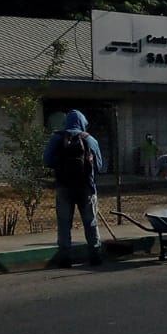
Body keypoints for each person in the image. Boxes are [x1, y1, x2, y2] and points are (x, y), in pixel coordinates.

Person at [42, 109, 104, 266]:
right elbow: (99, 166)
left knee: (64, 224)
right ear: (83, 122)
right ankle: (95, 255)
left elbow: (47, 160)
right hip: (86, 188)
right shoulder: (90, 139)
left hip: (64, 187)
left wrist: (60, 165)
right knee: (90, 222)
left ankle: (65, 257)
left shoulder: (57, 138)